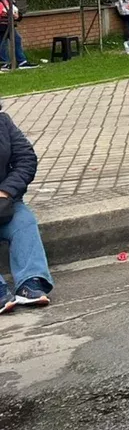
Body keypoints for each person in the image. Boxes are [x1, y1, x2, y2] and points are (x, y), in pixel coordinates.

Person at [0, 102, 52, 311]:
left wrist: (6, 192)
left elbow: (26, 159)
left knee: (24, 222)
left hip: (3, 203)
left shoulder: (3, 123)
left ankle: (30, 282)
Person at [0, 0, 34, 69]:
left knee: (16, 39)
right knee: (2, 44)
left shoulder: (5, 1)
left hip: (8, 26)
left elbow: (14, 12)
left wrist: (17, 16)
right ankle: (5, 63)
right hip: (2, 26)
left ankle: (21, 61)